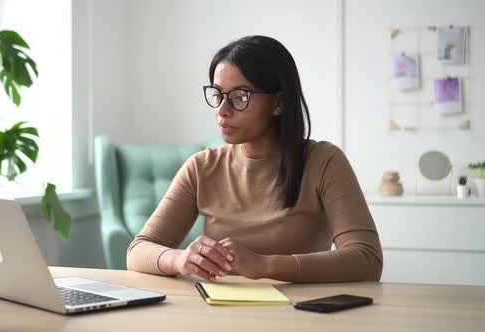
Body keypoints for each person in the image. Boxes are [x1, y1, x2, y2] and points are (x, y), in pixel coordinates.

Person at [127, 35, 382, 283]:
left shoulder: (324, 162)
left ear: (278, 102)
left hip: (300, 316)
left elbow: (367, 259)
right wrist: (180, 259)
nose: (221, 111)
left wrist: (264, 265)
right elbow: (137, 252)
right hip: (220, 315)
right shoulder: (201, 167)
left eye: (239, 97)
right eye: (217, 95)